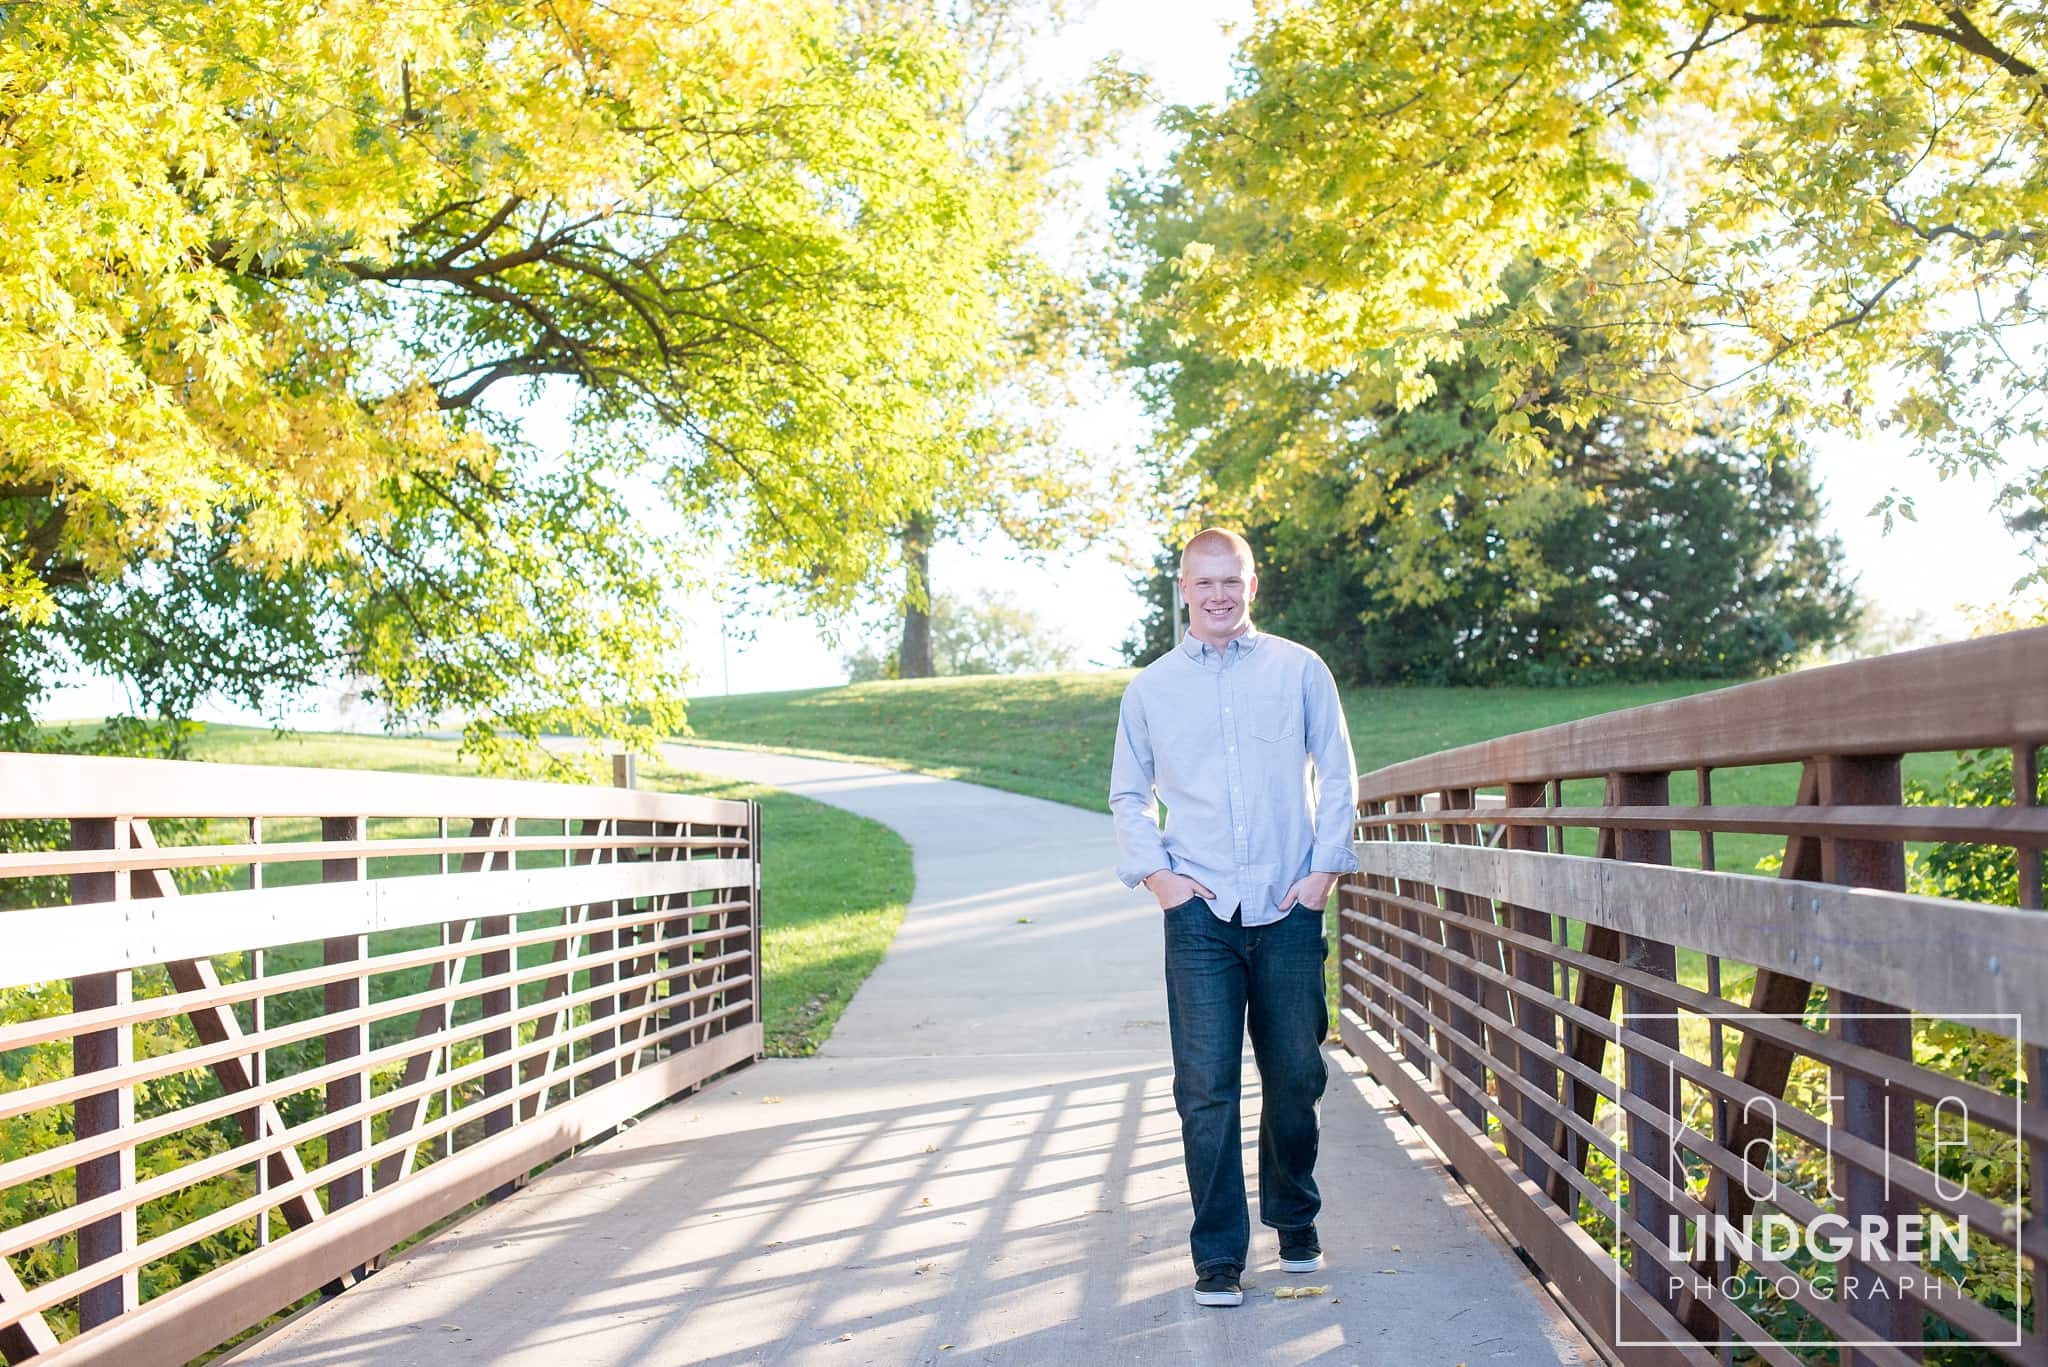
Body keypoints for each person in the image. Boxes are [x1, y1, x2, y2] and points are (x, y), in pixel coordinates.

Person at [1108, 527, 1360, 1309]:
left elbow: (1340, 770)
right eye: (1203, 581)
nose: (1218, 593)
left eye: (1232, 580)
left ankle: (1293, 1220)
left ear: (1253, 585)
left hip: (1288, 904)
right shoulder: (1151, 689)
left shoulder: (1300, 670)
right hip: (1201, 912)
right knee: (1205, 1088)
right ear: (1183, 588)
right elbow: (1128, 793)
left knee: (1295, 1073)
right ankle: (1218, 1254)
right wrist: (1161, 880)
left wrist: (1322, 876)